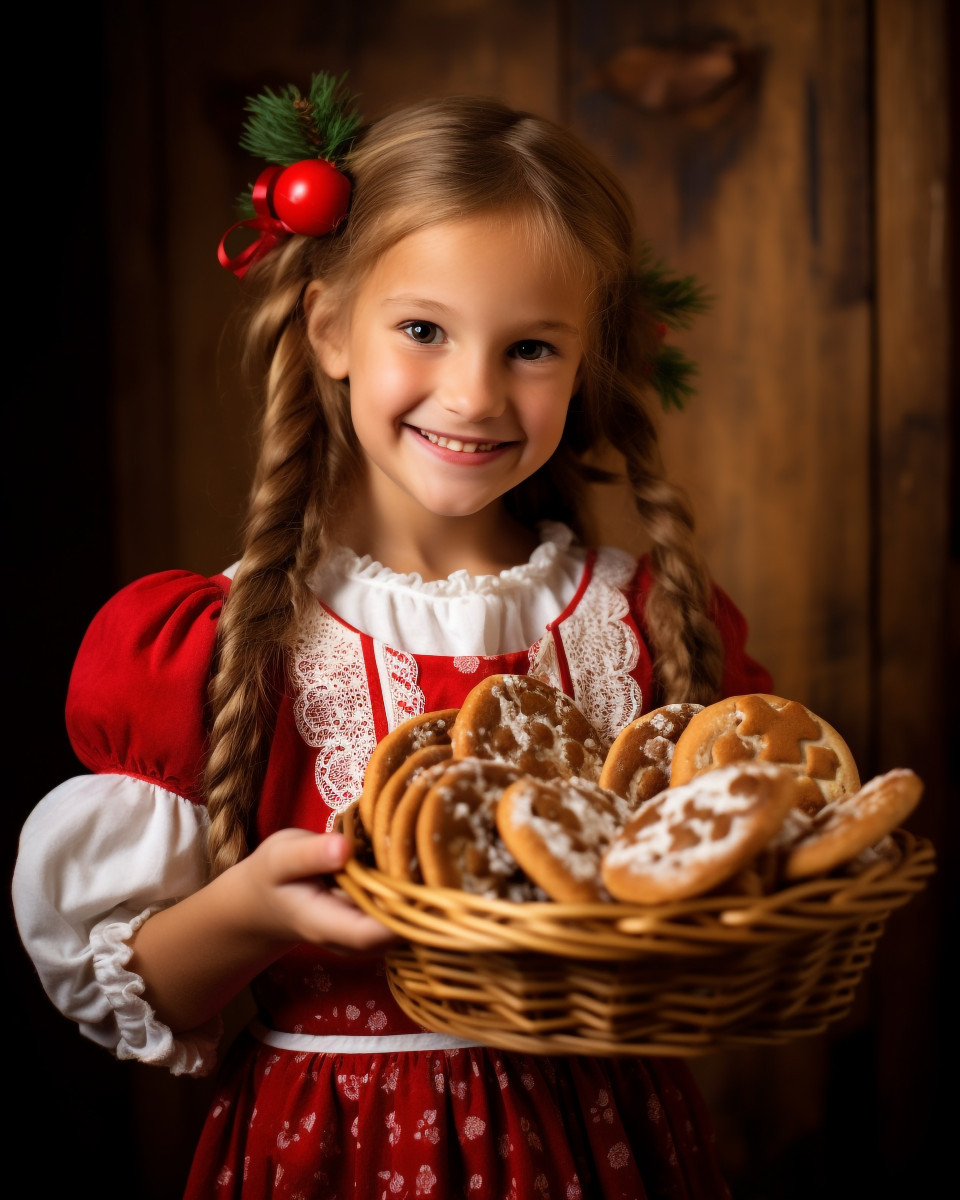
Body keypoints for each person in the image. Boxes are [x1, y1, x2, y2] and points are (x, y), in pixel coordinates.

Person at [13, 73, 773, 1199]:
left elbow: (743, 880)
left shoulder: (646, 623)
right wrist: (252, 911)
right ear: (329, 325)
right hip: (338, 1145)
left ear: (589, 359)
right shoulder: (223, 648)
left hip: (612, 1146)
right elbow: (135, 987)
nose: (471, 394)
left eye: (531, 349)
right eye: (423, 329)